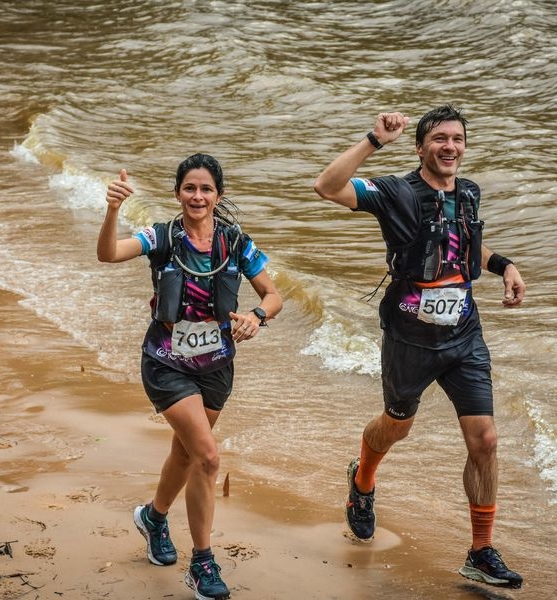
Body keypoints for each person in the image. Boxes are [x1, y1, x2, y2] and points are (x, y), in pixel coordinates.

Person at [313, 106, 525, 589]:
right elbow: (326, 186)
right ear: (420, 147)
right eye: (439, 139)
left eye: (457, 139)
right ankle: (362, 480)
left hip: (464, 335)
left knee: (485, 439)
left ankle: (481, 551)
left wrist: (505, 266)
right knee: (396, 427)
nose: (450, 147)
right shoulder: (395, 192)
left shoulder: (468, 193)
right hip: (409, 338)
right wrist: (374, 140)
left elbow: (465, 247)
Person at [97, 153, 282, 600]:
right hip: (166, 362)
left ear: (219, 195)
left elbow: (273, 295)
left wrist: (257, 316)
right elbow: (108, 254)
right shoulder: (161, 237)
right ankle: (202, 563)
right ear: (178, 193)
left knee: (186, 453)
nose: (197, 196)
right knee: (208, 457)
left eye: (206, 189)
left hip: (217, 366)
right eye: (189, 188)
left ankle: (153, 518)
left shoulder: (236, 243)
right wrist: (113, 209)